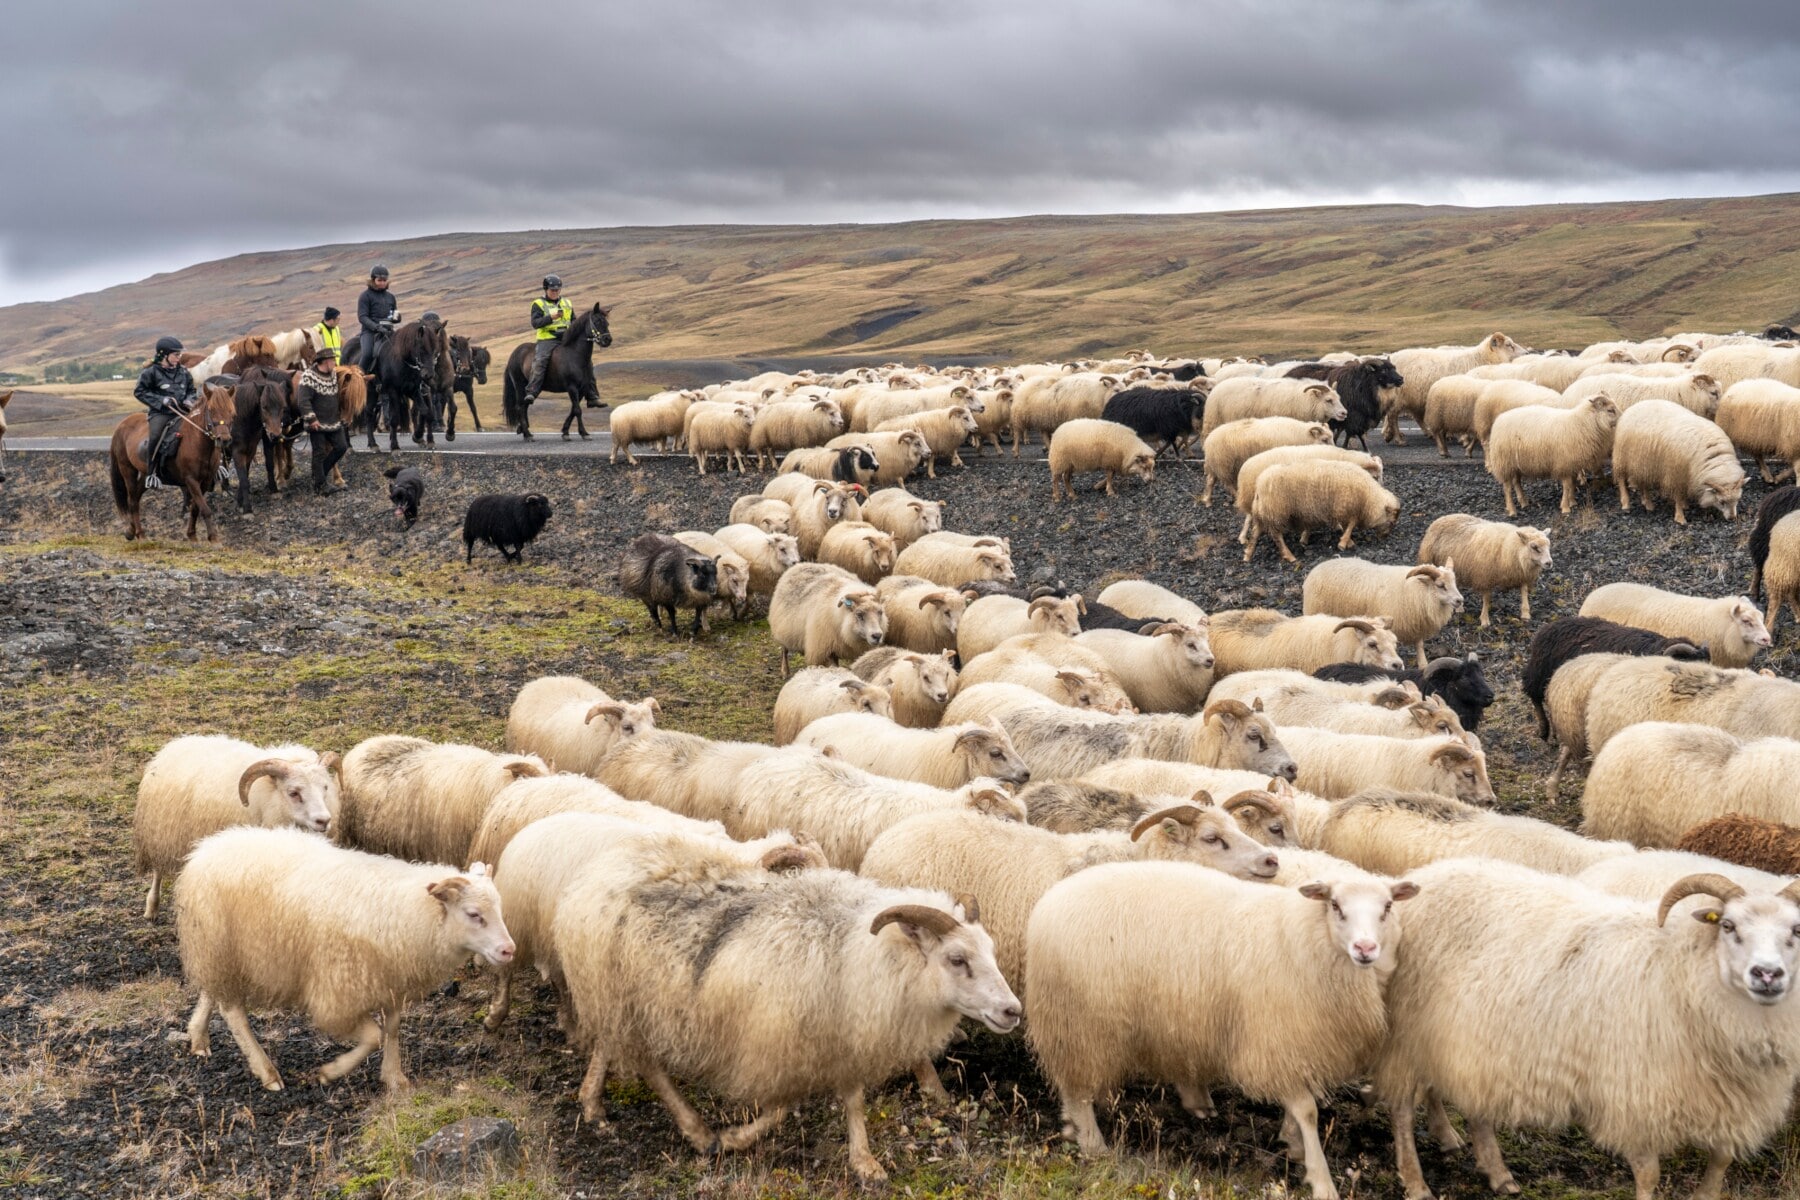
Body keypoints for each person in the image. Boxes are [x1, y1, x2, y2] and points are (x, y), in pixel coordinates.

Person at [135, 335, 197, 489]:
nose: (179, 358)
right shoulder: (150, 372)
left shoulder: (184, 372)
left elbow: (192, 390)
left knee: (208, 427)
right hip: (161, 413)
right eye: (176, 355)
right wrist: (162, 401)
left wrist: (190, 400)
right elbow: (140, 391)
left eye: (179, 355)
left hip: (183, 411)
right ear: (164, 355)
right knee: (155, 436)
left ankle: (218, 466)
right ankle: (151, 473)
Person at [295, 346, 350, 495]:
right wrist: (311, 419)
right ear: (325, 361)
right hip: (317, 424)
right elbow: (303, 401)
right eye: (333, 359)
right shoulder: (309, 376)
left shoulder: (332, 375)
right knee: (319, 453)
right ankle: (320, 486)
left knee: (341, 447)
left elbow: (336, 397)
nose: (335, 362)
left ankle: (319, 475)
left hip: (333, 421)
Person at [520, 274, 573, 406]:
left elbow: (573, 320)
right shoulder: (538, 304)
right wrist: (551, 317)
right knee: (541, 360)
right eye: (552, 290)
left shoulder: (567, 303)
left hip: (565, 337)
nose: (555, 292)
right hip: (547, 339)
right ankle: (532, 390)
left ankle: (591, 393)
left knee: (583, 357)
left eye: (557, 289)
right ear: (546, 289)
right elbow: (535, 323)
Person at [357, 264, 399, 376]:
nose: (382, 283)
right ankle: (358, 378)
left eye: (384, 280)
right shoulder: (365, 296)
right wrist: (376, 327)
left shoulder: (391, 297)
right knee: (367, 354)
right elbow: (362, 317)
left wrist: (397, 318)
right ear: (373, 280)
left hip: (388, 331)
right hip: (370, 332)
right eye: (379, 280)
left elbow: (394, 313)